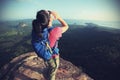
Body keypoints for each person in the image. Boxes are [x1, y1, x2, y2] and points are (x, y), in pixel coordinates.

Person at [31, 10, 69, 80]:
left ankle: (48, 71)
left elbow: (48, 27)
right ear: (48, 20)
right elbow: (66, 26)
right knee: (54, 67)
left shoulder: (37, 28)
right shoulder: (55, 31)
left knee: (49, 65)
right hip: (52, 54)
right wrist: (58, 17)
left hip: (43, 51)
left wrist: (49, 19)